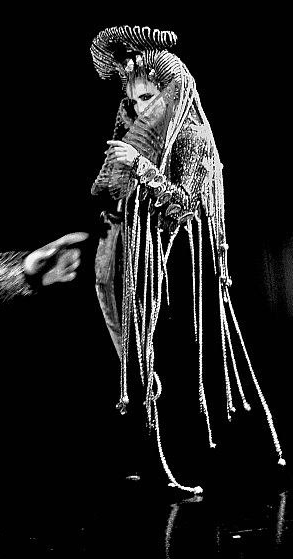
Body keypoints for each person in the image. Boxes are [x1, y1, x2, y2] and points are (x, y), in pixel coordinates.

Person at [89, 24, 287, 494]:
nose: (141, 108)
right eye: (133, 100)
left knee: (183, 361)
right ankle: (151, 462)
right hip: (144, 264)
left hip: (184, 266)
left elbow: (187, 204)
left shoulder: (192, 136)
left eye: (149, 97)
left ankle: (211, 463)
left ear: (170, 91)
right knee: (142, 361)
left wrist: (143, 170)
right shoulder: (138, 137)